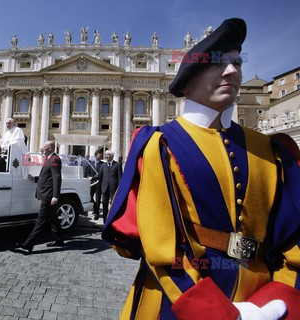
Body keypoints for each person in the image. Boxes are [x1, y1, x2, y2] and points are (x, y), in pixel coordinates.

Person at [102, 18, 300, 320]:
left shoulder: (272, 150)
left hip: (266, 301)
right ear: (187, 81)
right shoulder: (161, 144)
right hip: (181, 301)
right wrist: (219, 313)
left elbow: (293, 240)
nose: (233, 71)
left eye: (236, 63)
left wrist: (280, 299)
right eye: (217, 64)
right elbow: (161, 247)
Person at [17, 141, 63, 253]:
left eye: (45, 146)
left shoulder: (55, 159)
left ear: (50, 148)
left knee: (41, 220)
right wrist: (36, 179)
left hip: (48, 195)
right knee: (53, 218)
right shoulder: (49, 158)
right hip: (46, 192)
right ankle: (59, 239)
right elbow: (47, 176)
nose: (42, 147)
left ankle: (28, 244)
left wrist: (55, 196)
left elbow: (56, 178)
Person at [92, 150, 122, 223]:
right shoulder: (103, 165)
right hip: (105, 189)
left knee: (113, 206)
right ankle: (105, 222)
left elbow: (120, 178)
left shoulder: (117, 165)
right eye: (105, 154)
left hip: (114, 189)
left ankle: (113, 221)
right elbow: (99, 175)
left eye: (108, 155)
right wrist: (92, 178)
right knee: (105, 206)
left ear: (112, 156)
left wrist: (119, 189)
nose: (106, 156)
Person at [84, 150, 104, 220]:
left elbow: (102, 174)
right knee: (90, 197)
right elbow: (86, 173)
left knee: (98, 198)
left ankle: (96, 213)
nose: (101, 156)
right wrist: (88, 177)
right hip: (91, 184)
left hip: (99, 184)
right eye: (99, 155)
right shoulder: (90, 164)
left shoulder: (103, 164)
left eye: (101, 155)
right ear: (96, 155)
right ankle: (95, 206)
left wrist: (94, 177)